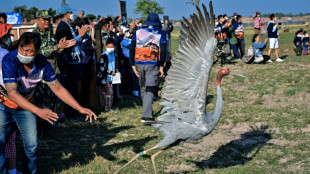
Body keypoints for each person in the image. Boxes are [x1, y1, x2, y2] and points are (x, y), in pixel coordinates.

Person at [0, 32, 97, 174]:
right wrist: (39, 111)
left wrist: (79, 108)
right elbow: (12, 93)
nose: (24, 53)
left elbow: (57, 87)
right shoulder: (9, 59)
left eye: (29, 51)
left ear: (37, 51)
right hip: (4, 104)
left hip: (26, 106)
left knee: (32, 145)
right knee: (1, 142)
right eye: (21, 49)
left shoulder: (42, 63)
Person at [33, 10, 76, 112]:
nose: (47, 21)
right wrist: (58, 47)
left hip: (54, 71)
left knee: (53, 99)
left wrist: (62, 47)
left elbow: (55, 52)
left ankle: (52, 124)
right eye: (44, 19)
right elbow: (38, 53)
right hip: (42, 74)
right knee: (43, 100)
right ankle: (43, 125)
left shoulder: (50, 33)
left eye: (48, 19)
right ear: (38, 20)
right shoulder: (35, 35)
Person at [130, 13, 166, 124]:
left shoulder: (138, 31)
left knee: (143, 88)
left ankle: (146, 113)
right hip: (152, 63)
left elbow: (132, 48)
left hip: (138, 62)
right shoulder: (161, 33)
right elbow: (163, 51)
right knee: (150, 88)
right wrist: (161, 67)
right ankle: (146, 115)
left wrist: (133, 64)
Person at [55, 4, 89, 120]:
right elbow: (68, 44)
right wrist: (80, 36)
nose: (71, 15)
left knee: (74, 87)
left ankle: (73, 113)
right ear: (66, 14)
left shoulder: (67, 25)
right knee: (71, 88)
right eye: (70, 13)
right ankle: (71, 114)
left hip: (74, 60)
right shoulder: (62, 27)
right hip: (69, 62)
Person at [0, 23, 21, 174]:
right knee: (5, 139)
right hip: (6, 100)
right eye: (8, 35)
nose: (10, 38)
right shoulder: (3, 54)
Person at [78, 18, 95, 108]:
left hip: (88, 63)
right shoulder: (79, 37)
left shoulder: (87, 37)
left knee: (87, 85)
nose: (89, 26)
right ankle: (82, 105)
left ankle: (86, 104)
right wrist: (92, 48)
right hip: (82, 64)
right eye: (87, 25)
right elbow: (83, 48)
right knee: (82, 86)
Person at [97, 39, 117, 112]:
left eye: (112, 47)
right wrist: (110, 72)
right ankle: (107, 107)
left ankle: (106, 107)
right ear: (106, 47)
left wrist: (117, 73)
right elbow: (102, 68)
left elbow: (115, 66)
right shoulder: (103, 56)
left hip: (112, 77)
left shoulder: (114, 55)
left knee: (108, 92)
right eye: (109, 47)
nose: (111, 48)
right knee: (108, 93)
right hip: (105, 77)